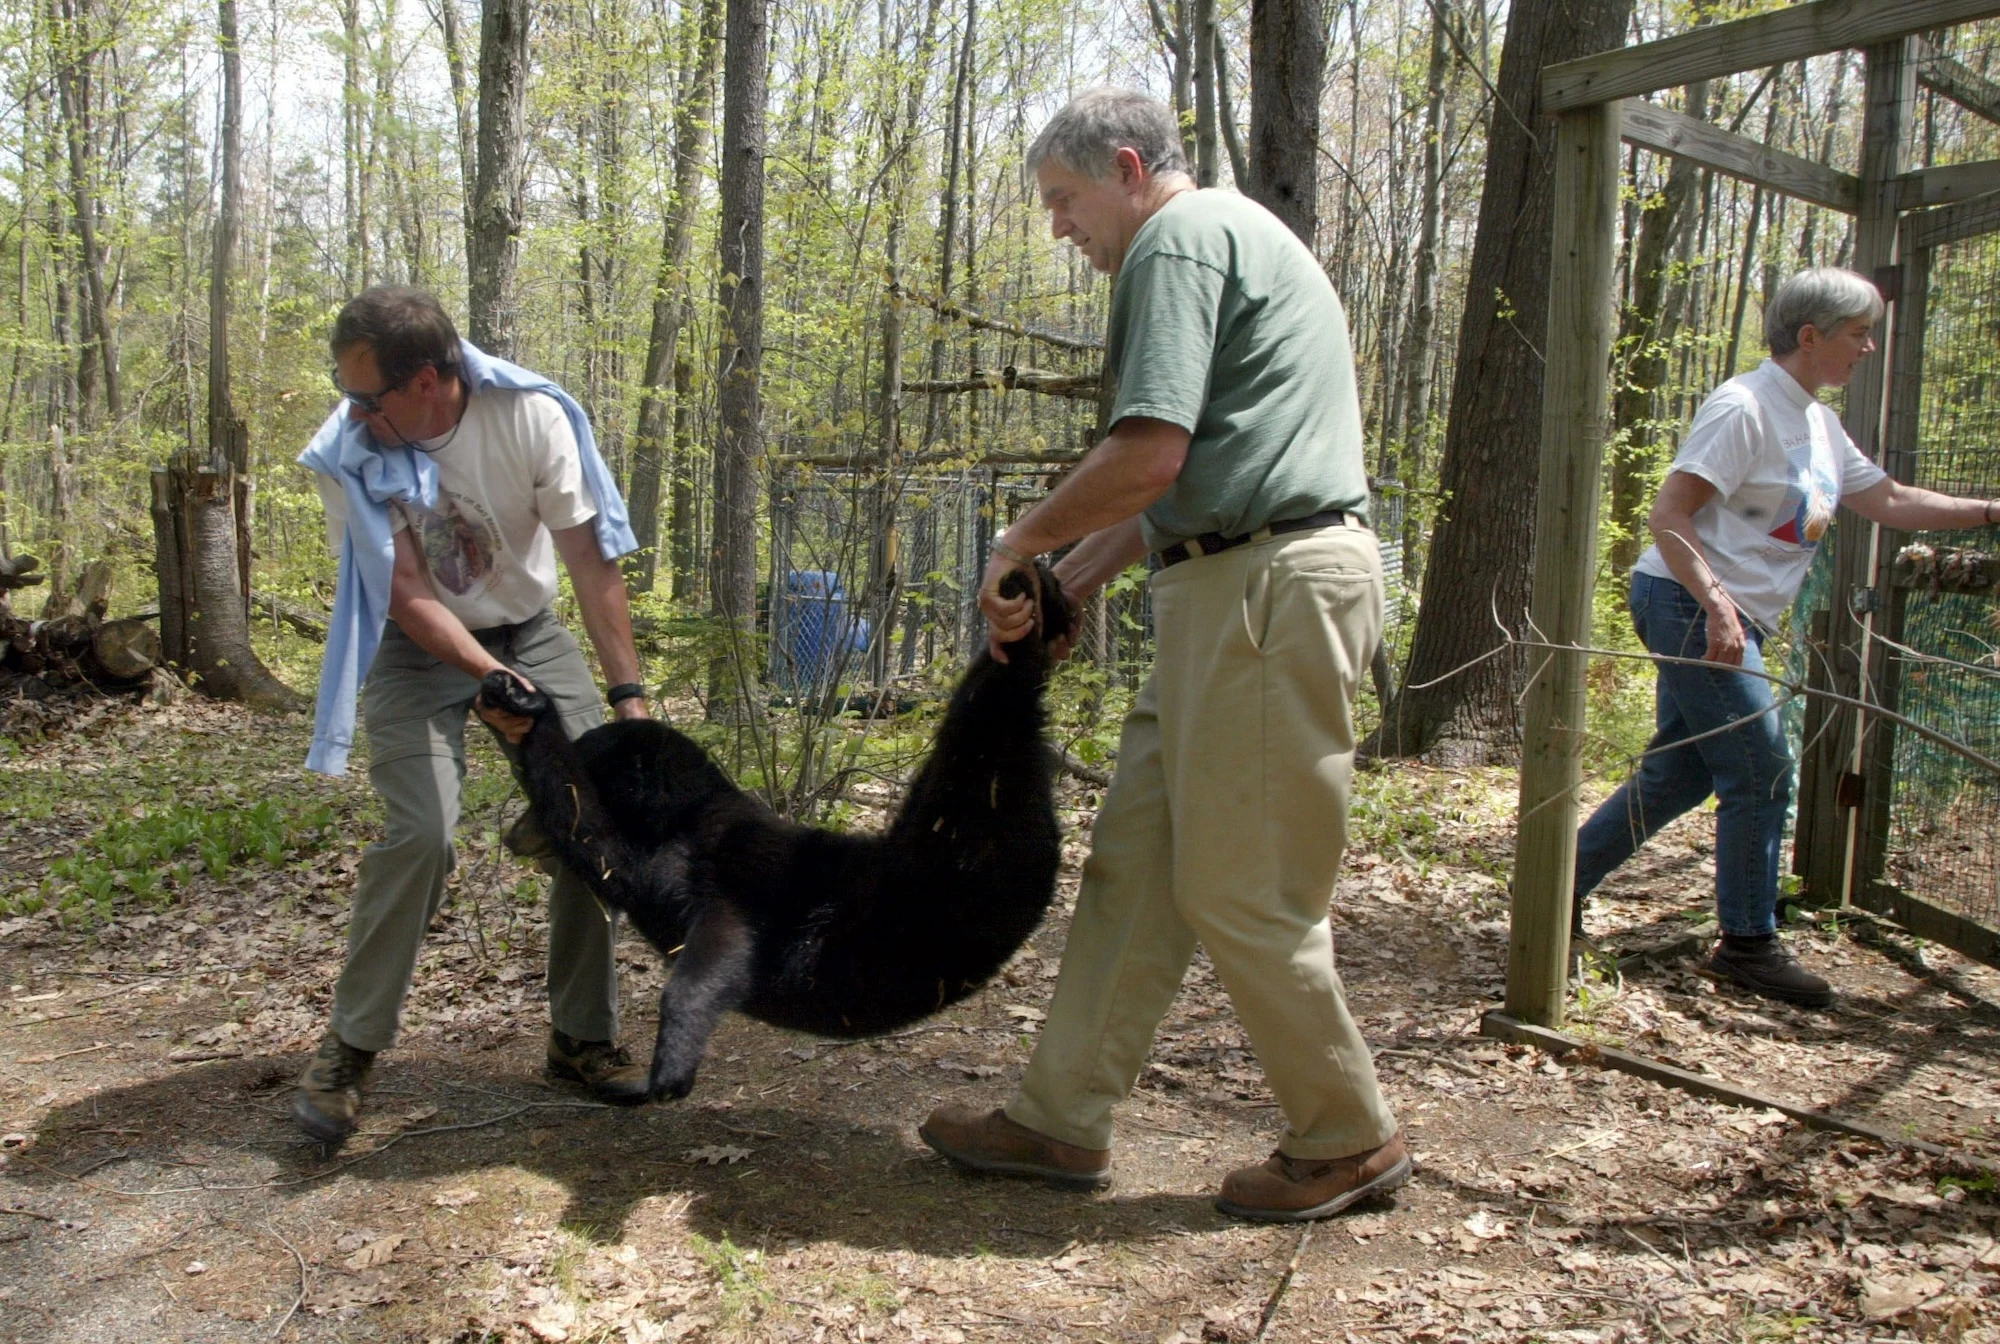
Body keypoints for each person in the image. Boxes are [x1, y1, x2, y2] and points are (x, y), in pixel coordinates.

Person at [917, 89, 1406, 1223]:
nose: (1056, 228)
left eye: (1062, 200)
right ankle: (1057, 1118)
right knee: (1136, 867)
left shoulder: (1178, 240)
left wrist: (1017, 541)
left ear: (1127, 168)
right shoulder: (1229, 236)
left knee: (1245, 889)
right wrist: (1067, 581)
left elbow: (1147, 453)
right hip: (1227, 584)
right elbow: (1184, 479)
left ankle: (1345, 1135)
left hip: (1265, 591)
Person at [1572, 267, 2000, 1009]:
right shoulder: (1744, 408)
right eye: (1858, 334)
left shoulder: (1819, 423)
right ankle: (1747, 944)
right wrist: (1716, 604)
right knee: (1764, 768)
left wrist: (1990, 511)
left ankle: (1553, 887)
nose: (1868, 349)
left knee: (1685, 774)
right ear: (1811, 337)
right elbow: (1669, 514)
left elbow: (1891, 500)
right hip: (1686, 599)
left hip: (1724, 610)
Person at [294, 286, 654, 1142]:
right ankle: (349, 1048)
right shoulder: (347, 450)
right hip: (416, 649)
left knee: (594, 808)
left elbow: (590, 563)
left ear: (425, 382)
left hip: (528, 628)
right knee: (423, 833)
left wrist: (627, 700)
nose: (350, 411)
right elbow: (410, 595)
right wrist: (492, 679)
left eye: (363, 394)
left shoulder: (530, 417)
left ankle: (581, 1036)